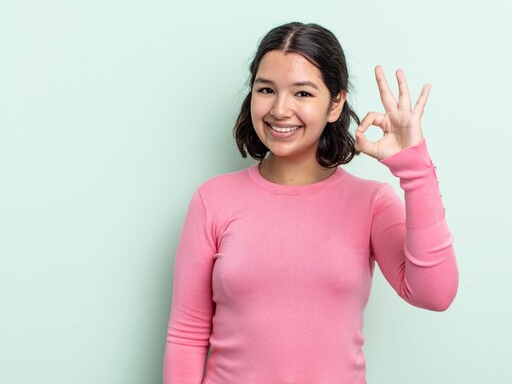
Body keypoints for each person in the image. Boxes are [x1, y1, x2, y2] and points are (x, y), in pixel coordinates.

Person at [163, 21, 459, 384]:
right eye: (266, 89)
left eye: (302, 93)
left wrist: (414, 167)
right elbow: (187, 334)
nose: (280, 109)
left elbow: (435, 294)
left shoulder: (371, 203)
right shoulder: (213, 200)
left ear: (336, 104)